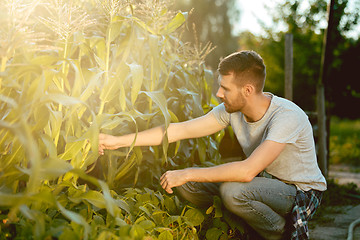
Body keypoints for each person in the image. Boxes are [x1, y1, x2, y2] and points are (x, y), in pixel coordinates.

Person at [98, 50, 327, 240]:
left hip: (299, 191)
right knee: (186, 186)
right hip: (264, 183)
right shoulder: (232, 111)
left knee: (232, 191)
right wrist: (117, 141)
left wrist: (189, 172)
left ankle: (281, 233)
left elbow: (247, 172)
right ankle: (242, 225)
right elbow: (179, 130)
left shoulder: (286, 116)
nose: (218, 94)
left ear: (247, 90)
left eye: (225, 88)